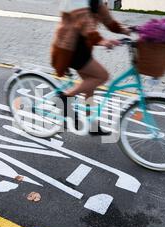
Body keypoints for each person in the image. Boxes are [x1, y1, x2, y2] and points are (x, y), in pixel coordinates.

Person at [51, 0, 130, 135]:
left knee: (90, 86)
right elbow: (84, 22)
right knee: (102, 76)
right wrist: (101, 41)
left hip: (83, 48)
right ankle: (64, 97)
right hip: (70, 49)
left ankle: (91, 124)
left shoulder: (96, 2)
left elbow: (108, 20)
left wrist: (126, 30)